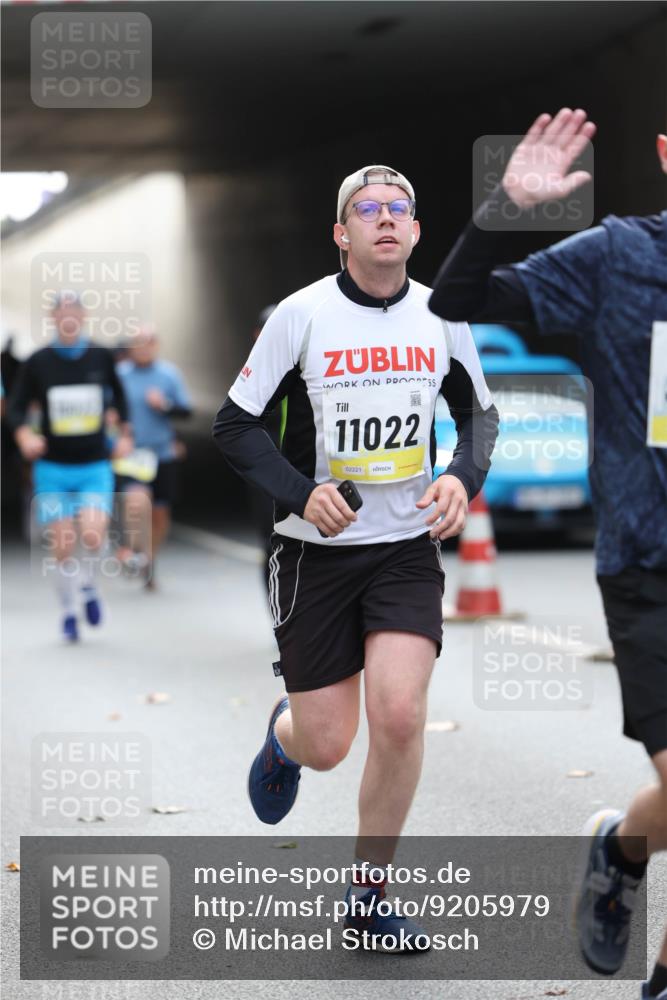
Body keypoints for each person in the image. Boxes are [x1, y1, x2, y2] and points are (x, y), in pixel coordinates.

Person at [213, 165, 499, 951]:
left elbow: (479, 416)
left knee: (401, 716)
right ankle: (285, 738)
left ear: (414, 231)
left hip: (404, 548)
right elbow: (233, 426)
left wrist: (459, 479)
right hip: (315, 556)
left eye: (397, 209)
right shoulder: (301, 316)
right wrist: (301, 493)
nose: (383, 219)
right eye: (365, 210)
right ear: (342, 234)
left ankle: (368, 898)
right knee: (330, 744)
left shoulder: (445, 316)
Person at [429, 108, 667, 998]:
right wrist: (506, 211)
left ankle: (619, 848)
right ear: (663, 155)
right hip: (649, 565)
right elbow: (458, 304)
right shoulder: (618, 257)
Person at [7, 292, 133, 641]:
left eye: (74, 312)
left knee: (92, 534)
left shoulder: (101, 356)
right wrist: (23, 437)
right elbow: (16, 407)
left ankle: (89, 587)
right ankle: (67, 610)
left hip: (94, 464)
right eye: (61, 313)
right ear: (53, 318)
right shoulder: (38, 362)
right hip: (52, 467)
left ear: (83, 316)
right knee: (62, 544)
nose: (68, 318)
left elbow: (121, 398)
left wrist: (125, 432)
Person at [115, 326, 193, 589]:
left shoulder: (168, 374)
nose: (143, 348)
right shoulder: (120, 375)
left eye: (148, 342)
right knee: (137, 501)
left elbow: (186, 411)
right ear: (130, 347)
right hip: (133, 452)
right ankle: (135, 549)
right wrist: (115, 434)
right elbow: (106, 409)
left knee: (159, 513)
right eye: (138, 343)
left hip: (162, 452)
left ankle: (149, 559)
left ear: (156, 345)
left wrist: (165, 405)